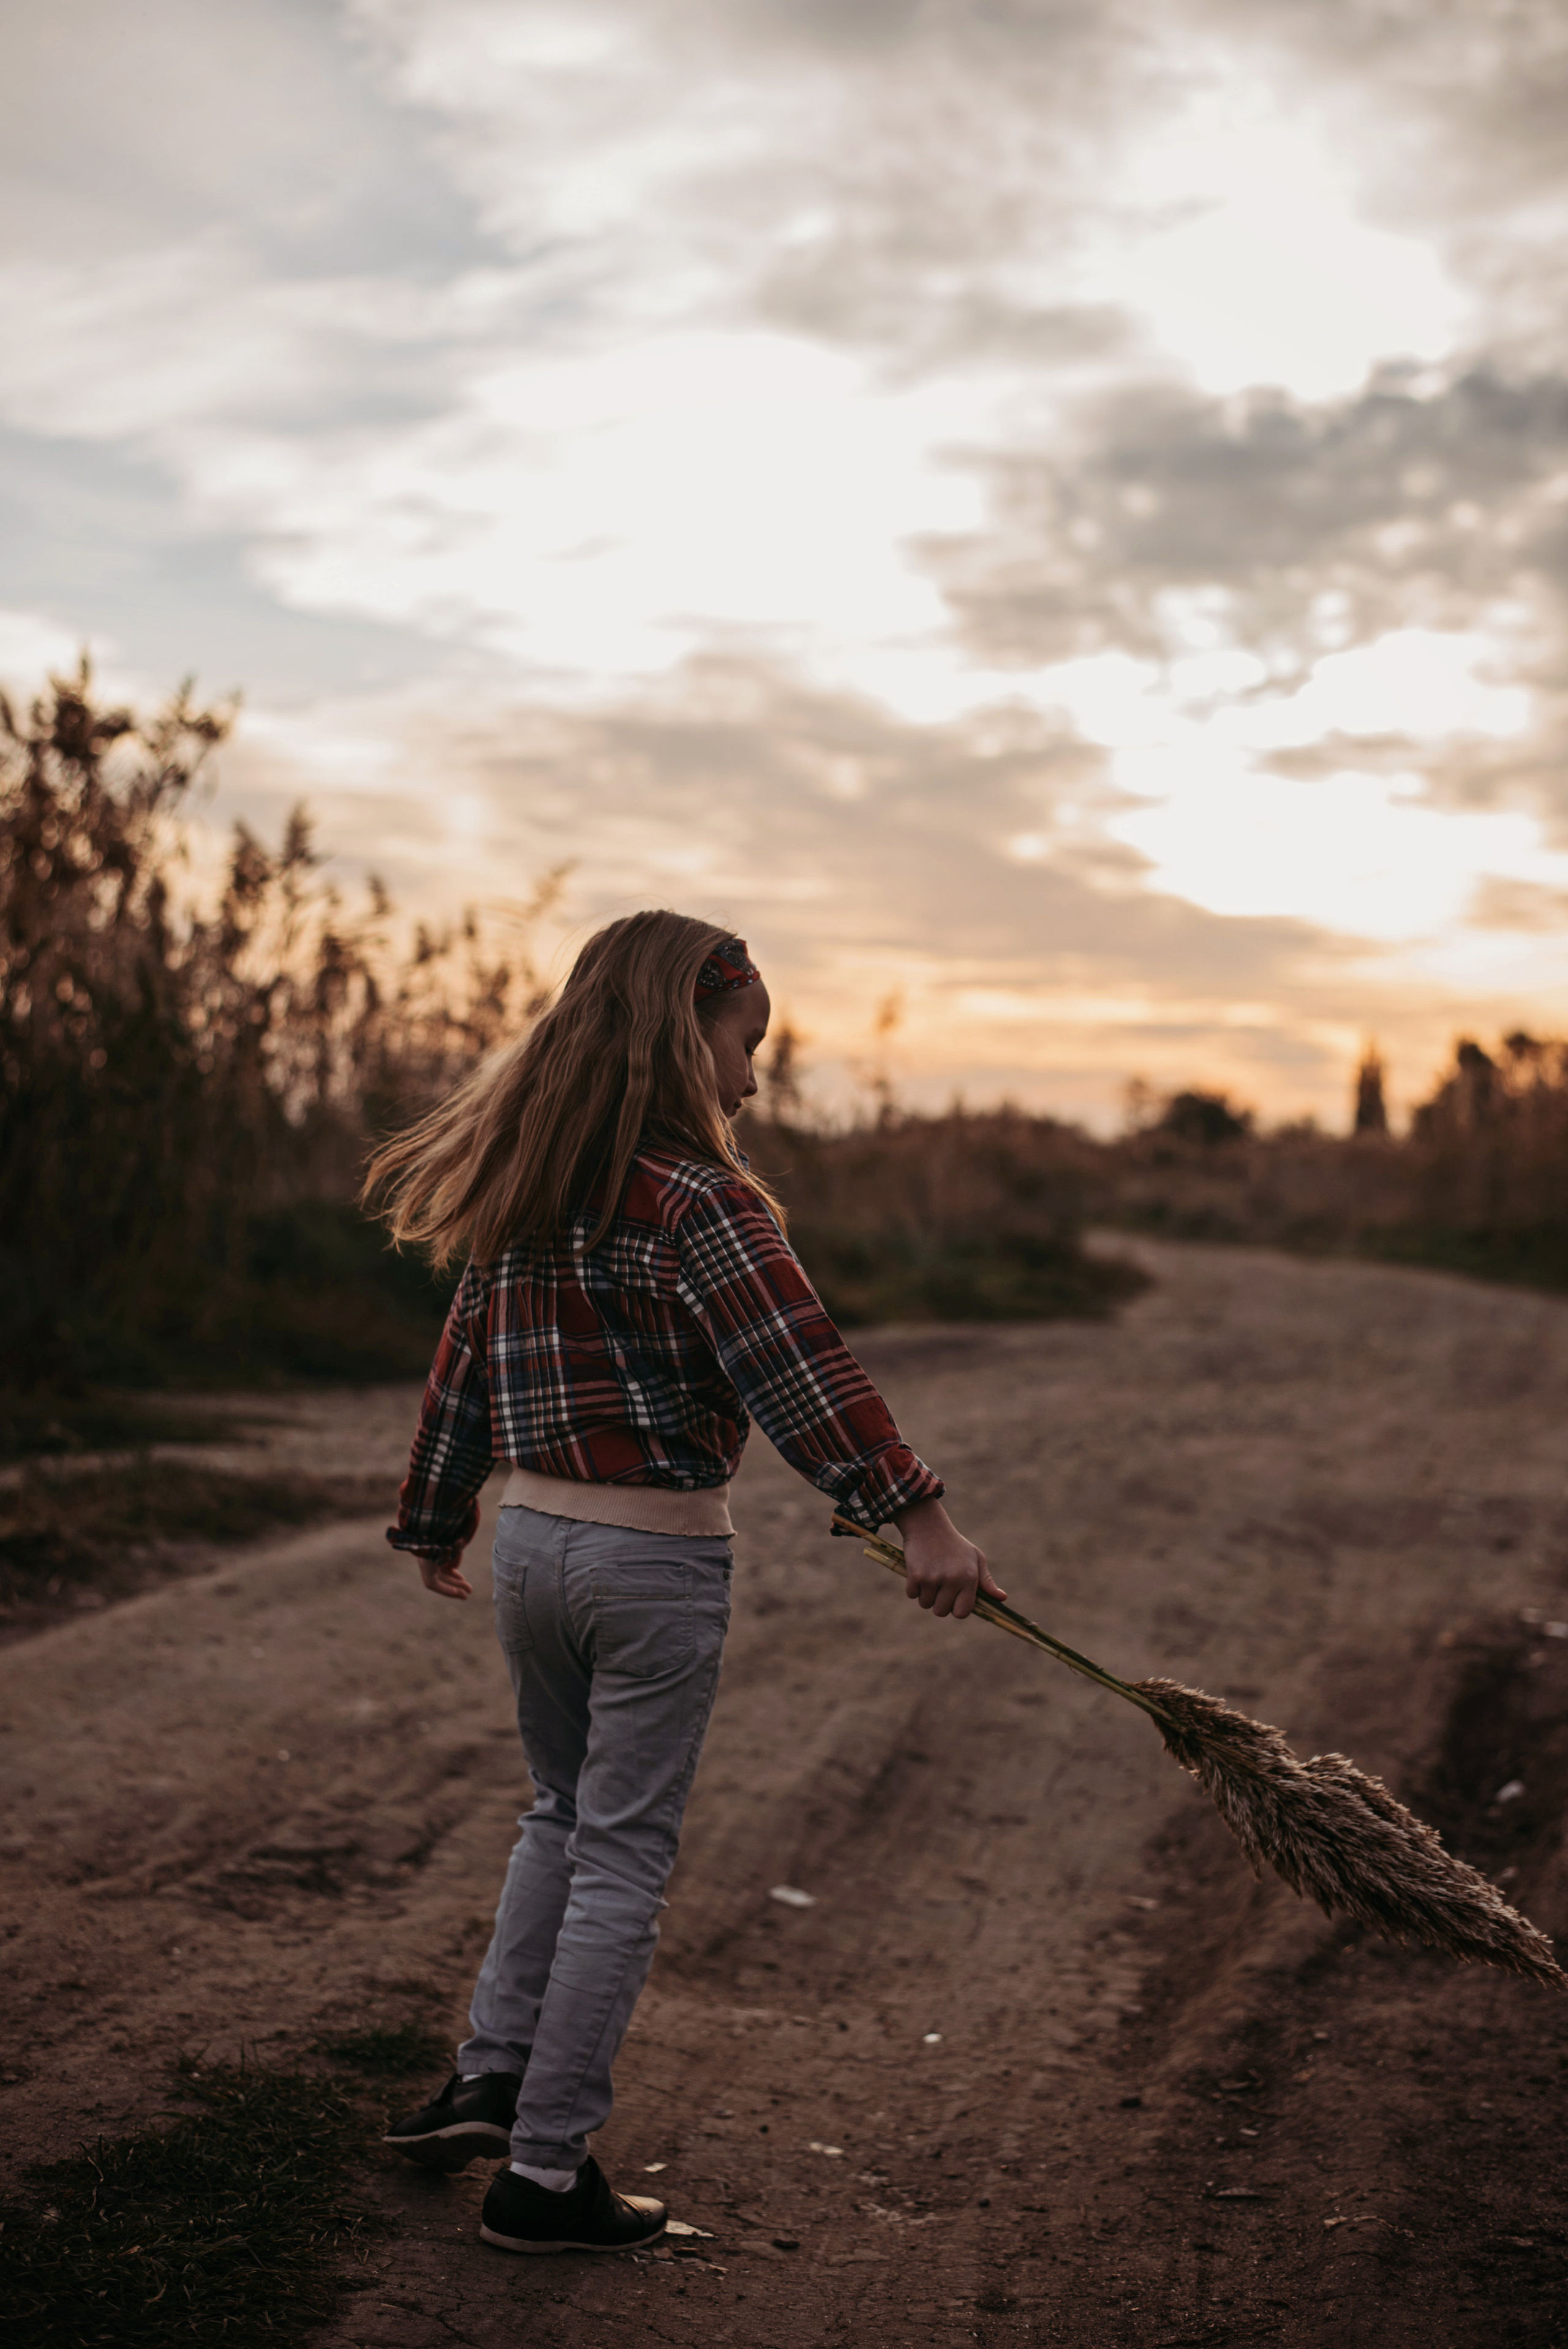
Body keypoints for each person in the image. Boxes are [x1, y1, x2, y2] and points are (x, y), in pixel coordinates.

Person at [366, 910, 1000, 2257]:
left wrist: (434, 1513)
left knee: (556, 1814)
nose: (752, 1079)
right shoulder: (703, 1200)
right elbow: (798, 1364)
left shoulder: (528, 1187)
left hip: (531, 1545)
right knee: (621, 1850)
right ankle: (545, 2174)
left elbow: (463, 1363)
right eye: (744, 1043)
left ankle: (489, 2076)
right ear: (678, 1033)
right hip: (649, 1556)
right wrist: (919, 1516)